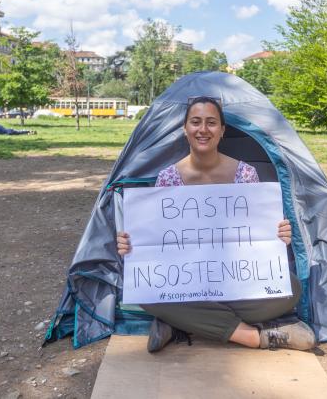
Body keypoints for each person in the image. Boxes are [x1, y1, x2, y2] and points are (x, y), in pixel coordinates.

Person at [116, 96, 316, 353]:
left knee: (291, 289)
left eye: (211, 123)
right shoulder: (168, 178)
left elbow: (258, 236)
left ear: (222, 131)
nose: (203, 129)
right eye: (195, 122)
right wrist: (132, 246)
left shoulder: (246, 174)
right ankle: (256, 337)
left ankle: (180, 321)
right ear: (185, 129)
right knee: (143, 289)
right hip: (187, 281)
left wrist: (278, 236)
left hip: (235, 279)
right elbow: (158, 243)